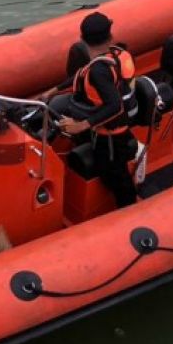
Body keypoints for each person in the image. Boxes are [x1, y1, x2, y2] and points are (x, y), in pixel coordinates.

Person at [58, 12, 139, 208]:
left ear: (83, 39)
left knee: (115, 176)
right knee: (113, 172)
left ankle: (130, 210)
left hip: (110, 136)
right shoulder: (113, 55)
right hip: (116, 127)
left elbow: (114, 105)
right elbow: (79, 75)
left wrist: (81, 126)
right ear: (109, 37)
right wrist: (52, 92)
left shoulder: (98, 71)